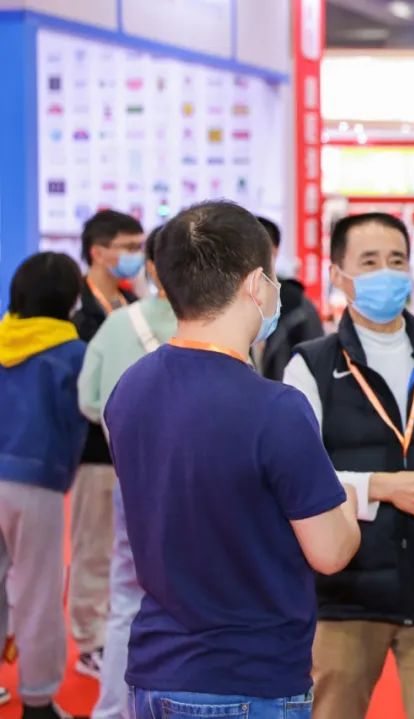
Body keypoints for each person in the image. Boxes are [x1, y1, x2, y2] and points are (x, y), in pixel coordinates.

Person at [104, 201, 361, 719]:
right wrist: (350, 501)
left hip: (154, 671)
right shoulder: (276, 408)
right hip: (248, 678)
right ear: (255, 285)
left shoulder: (131, 387)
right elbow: (331, 551)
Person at [284, 213, 414, 719]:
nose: (386, 273)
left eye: (396, 261)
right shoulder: (311, 365)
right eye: (369, 262)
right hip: (347, 597)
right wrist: (378, 486)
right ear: (338, 275)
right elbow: (296, 478)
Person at [77, 227, 177, 719]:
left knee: (125, 597)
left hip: (131, 477)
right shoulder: (217, 323)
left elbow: (88, 398)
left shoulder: (117, 323)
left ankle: (113, 710)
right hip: (199, 483)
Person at [0, 252, 88, 719]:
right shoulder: (72, 354)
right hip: (36, 485)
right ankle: (37, 700)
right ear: (69, 298)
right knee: (37, 593)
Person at [70, 210, 144, 679]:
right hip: (95, 450)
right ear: (98, 252)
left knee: (129, 553)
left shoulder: (132, 302)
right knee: (93, 547)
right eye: (129, 247)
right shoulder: (78, 311)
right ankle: (88, 639)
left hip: (136, 451)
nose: (137, 256)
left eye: (140, 247)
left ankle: (118, 634)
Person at [256, 217, 324, 381]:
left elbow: (319, 364)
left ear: (274, 250)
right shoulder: (222, 302)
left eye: (256, 248)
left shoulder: (298, 307)